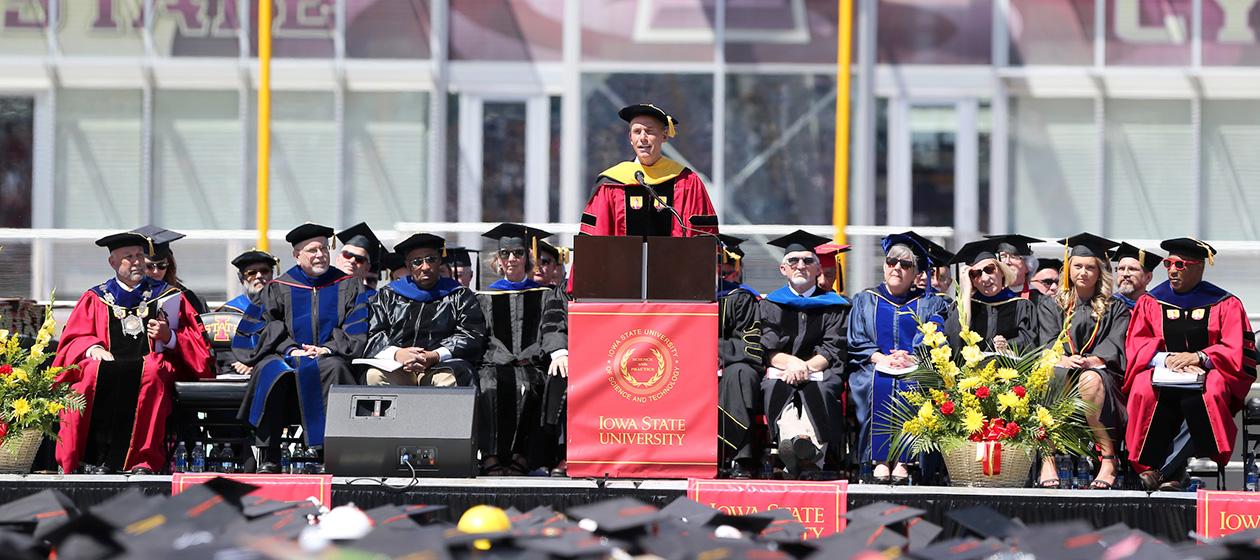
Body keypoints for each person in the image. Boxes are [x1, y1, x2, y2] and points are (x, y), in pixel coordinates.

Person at [53, 231, 212, 474]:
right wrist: (91, 347)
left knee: (151, 371)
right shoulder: (96, 298)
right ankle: (92, 460)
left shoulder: (167, 295)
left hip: (150, 364)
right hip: (107, 364)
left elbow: (198, 345)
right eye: (128, 256)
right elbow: (72, 338)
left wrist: (168, 337)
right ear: (113, 263)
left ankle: (142, 461)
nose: (137, 261)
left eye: (139, 255)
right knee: (88, 374)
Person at [232, 223, 370, 473]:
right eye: (313, 250)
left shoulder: (348, 285)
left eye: (324, 249)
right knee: (270, 370)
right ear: (297, 255)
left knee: (335, 368)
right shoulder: (279, 287)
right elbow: (264, 327)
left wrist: (326, 349)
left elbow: (356, 325)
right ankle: (270, 455)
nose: (321, 255)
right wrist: (290, 349)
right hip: (288, 356)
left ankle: (330, 453)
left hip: (329, 356)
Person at [1124, 238, 1256, 491]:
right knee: (1142, 387)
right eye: (1168, 263)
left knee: (1212, 391)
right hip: (1162, 371)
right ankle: (1168, 472)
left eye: (1180, 264)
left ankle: (1162, 471)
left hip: (1209, 372)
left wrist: (1200, 357)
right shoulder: (1151, 302)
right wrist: (1167, 359)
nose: (1172, 270)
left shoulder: (1225, 303)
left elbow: (1236, 348)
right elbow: (1137, 343)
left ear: (1199, 267)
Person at [847, 232, 951, 484]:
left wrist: (913, 357)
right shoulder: (866, 300)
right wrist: (880, 358)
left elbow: (934, 334)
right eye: (892, 262)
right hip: (874, 366)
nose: (897, 268)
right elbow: (856, 340)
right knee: (878, 382)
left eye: (905, 265)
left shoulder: (929, 304)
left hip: (914, 367)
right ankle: (880, 460)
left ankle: (904, 460)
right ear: (884, 266)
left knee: (911, 383)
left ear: (916, 273)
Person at [470, 224, 569, 475]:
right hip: (495, 364)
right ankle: (491, 457)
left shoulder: (547, 295)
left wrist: (558, 352)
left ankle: (522, 458)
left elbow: (552, 326)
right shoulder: (484, 296)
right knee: (489, 386)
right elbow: (481, 336)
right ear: (498, 260)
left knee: (533, 387)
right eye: (505, 254)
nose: (511, 258)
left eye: (517, 253)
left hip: (531, 364)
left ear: (527, 257)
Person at [1034, 234, 1130, 489]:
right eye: (1078, 266)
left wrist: (1092, 360)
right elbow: (1047, 341)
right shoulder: (1051, 304)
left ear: (1100, 272)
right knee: (1050, 374)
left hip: (1100, 376)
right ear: (1068, 269)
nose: (1084, 272)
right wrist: (1062, 358)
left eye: (1090, 267)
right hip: (1062, 370)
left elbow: (1115, 344)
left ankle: (1108, 459)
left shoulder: (1115, 308)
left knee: (1089, 380)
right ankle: (1047, 458)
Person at [759, 230, 850, 478]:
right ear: (783, 269)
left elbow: (833, 348)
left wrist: (805, 368)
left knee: (824, 387)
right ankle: (805, 451)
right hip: (782, 369)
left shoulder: (835, 305)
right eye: (794, 261)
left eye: (808, 261)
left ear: (818, 268)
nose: (801, 266)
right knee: (773, 387)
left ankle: (795, 449)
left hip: (820, 370)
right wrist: (794, 364)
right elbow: (769, 348)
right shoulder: (771, 303)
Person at [364, 233, 486, 388]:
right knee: (375, 376)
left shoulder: (459, 295)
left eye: (431, 259)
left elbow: (472, 334)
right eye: (417, 262)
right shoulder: (388, 295)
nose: (426, 267)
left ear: (440, 261)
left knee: (449, 380)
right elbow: (374, 333)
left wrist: (435, 355)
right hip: (398, 366)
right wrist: (398, 354)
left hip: (441, 365)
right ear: (408, 266)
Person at [578, 104, 718, 238]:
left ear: (664, 136)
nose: (642, 138)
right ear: (630, 138)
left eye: (650, 131)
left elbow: (702, 238)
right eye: (637, 132)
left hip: (672, 262)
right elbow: (595, 238)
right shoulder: (610, 183)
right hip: (623, 262)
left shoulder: (686, 181)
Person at [717, 253, 764, 479]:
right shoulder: (675, 298)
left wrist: (712, 351)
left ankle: (740, 456)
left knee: (741, 373)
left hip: (729, 367)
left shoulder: (738, 297)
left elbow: (750, 346)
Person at [944, 239, 1036, 353]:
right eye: (975, 274)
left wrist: (1007, 346)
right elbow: (955, 343)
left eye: (989, 269)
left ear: (1001, 271)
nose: (985, 278)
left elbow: (1030, 344)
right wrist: (966, 290)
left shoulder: (1022, 306)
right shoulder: (962, 306)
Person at [216, 249, 279, 377]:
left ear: (272, 275)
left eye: (265, 271)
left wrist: (255, 363)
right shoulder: (228, 312)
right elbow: (222, 348)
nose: (259, 276)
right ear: (241, 278)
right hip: (236, 373)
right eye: (252, 272)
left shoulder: (280, 309)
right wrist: (238, 362)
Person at [133, 225, 209, 315]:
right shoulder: (122, 295)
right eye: (149, 266)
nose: (156, 271)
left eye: (162, 265)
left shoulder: (187, 297)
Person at [984, 234, 1044, 302]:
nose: (1007, 262)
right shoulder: (987, 297)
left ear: (1028, 266)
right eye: (1003, 256)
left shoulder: (1039, 300)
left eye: (1014, 257)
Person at [335, 222, 383, 297]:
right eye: (347, 255)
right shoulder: (321, 290)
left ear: (367, 267)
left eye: (359, 259)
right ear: (337, 259)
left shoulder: (373, 298)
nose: (352, 261)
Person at [1110, 242, 1162, 309]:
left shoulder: (1156, 309)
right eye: (1121, 269)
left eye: (1132, 269)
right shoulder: (1106, 308)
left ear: (1148, 278)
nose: (1125, 274)